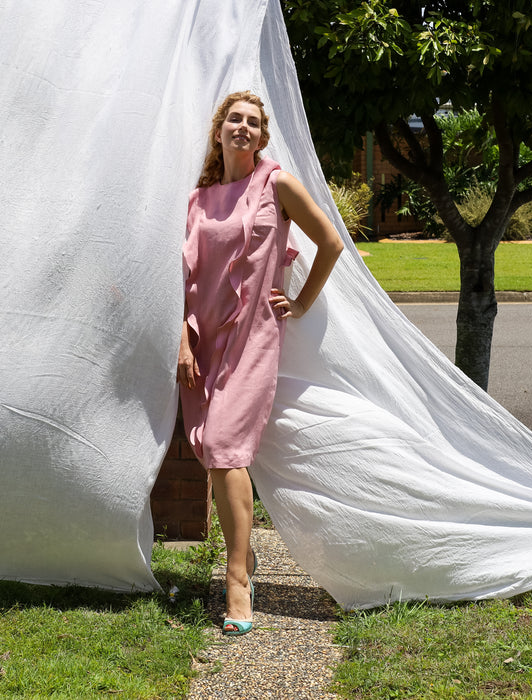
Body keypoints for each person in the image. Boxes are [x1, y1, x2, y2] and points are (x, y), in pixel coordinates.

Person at [177, 91, 344, 636]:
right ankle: (244, 558)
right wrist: (182, 335)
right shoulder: (199, 200)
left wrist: (300, 303)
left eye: (253, 122)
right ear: (219, 132)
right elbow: (187, 276)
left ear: (262, 136)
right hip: (203, 342)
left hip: (252, 339)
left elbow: (330, 242)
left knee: (225, 448)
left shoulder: (276, 183)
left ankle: (238, 583)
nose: (243, 128)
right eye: (234, 120)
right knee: (212, 449)